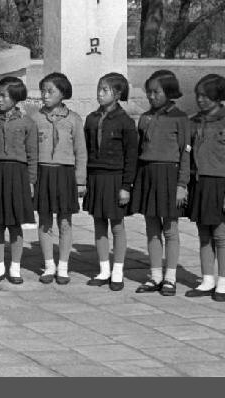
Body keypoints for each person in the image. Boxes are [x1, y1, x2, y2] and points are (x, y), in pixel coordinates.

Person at [186, 74, 225, 302]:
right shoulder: (193, 122)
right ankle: (207, 279)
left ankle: (223, 282)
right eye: (198, 95)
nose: (200, 100)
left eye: (206, 96)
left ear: (218, 97)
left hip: (220, 186)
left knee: (220, 235)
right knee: (203, 235)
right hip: (199, 184)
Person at [133, 69, 191, 296]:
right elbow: (139, 149)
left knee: (170, 229)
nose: (151, 96)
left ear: (169, 92)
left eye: (156, 92)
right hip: (148, 174)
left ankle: (170, 277)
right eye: (149, 92)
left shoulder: (180, 118)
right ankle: (155, 275)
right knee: (152, 228)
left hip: (170, 176)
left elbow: (185, 152)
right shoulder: (144, 117)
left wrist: (182, 184)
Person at [84, 72, 139, 290]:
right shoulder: (91, 119)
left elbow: (131, 156)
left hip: (115, 178)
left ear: (117, 94)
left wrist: (126, 186)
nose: (100, 93)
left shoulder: (125, 122)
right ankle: (104, 269)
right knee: (99, 223)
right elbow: (87, 150)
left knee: (116, 224)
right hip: (96, 177)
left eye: (104, 90)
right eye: (99, 89)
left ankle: (118, 270)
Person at [33, 73, 86, 285]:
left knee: (65, 221)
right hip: (43, 173)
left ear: (62, 93)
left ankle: (63, 266)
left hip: (65, 174)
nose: (45, 95)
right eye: (43, 91)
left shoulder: (74, 119)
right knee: (44, 220)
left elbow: (81, 151)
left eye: (50, 91)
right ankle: (49, 265)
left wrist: (80, 180)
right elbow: (31, 151)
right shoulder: (36, 118)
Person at [0, 77, 37, 284]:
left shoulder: (27, 122)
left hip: (18, 175)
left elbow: (32, 154)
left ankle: (15, 268)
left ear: (15, 98)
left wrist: (31, 181)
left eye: (3, 96)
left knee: (15, 223)